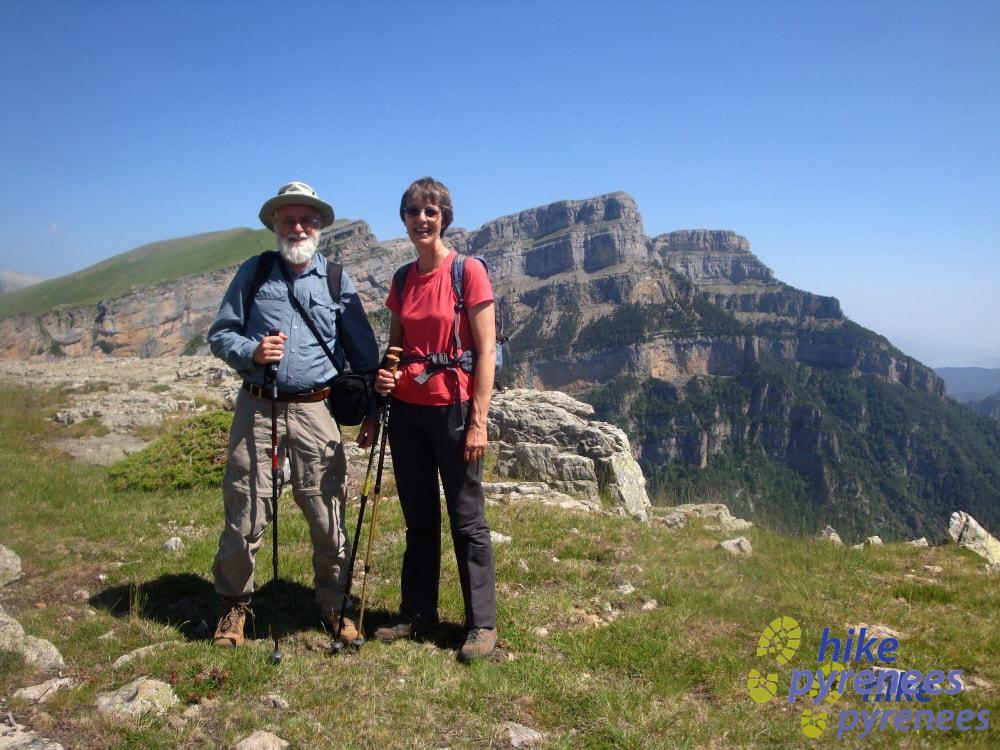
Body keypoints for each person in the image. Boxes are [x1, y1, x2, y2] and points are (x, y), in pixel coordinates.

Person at [207, 181, 380, 648]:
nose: (298, 228)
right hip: (258, 406)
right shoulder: (255, 272)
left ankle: (335, 601)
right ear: (275, 225)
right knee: (246, 509)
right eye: (289, 220)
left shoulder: (337, 281)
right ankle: (233, 608)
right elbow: (221, 334)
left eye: (306, 219)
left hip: (316, 410)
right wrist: (252, 351)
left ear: (319, 225)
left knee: (327, 510)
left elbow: (363, 353)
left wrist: (373, 411)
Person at [373, 176, 498, 662]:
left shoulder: (468, 272)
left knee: (466, 518)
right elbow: (396, 346)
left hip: (454, 408)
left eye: (431, 211)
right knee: (419, 518)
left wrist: (479, 421)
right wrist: (385, 379)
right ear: (404, 219)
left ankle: (481, 624)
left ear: (444, 217)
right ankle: (417, 613)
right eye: (413, 211)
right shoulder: (403, 279)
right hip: (407, 412)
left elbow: (486, 351)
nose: (421, 219)